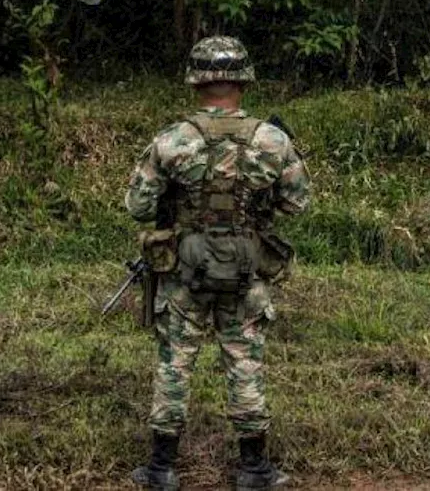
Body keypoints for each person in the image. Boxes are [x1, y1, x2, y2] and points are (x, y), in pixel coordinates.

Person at [125, 36, 310, 489]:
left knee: (175, 363)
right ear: (244, 80)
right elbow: (296, 204)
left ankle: (161, 469)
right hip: (247, 269)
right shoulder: (272, 139)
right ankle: (254, 469)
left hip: (184, 271)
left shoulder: (172, 139)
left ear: (196, 83)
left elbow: (138, 204)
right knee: (245, 361)